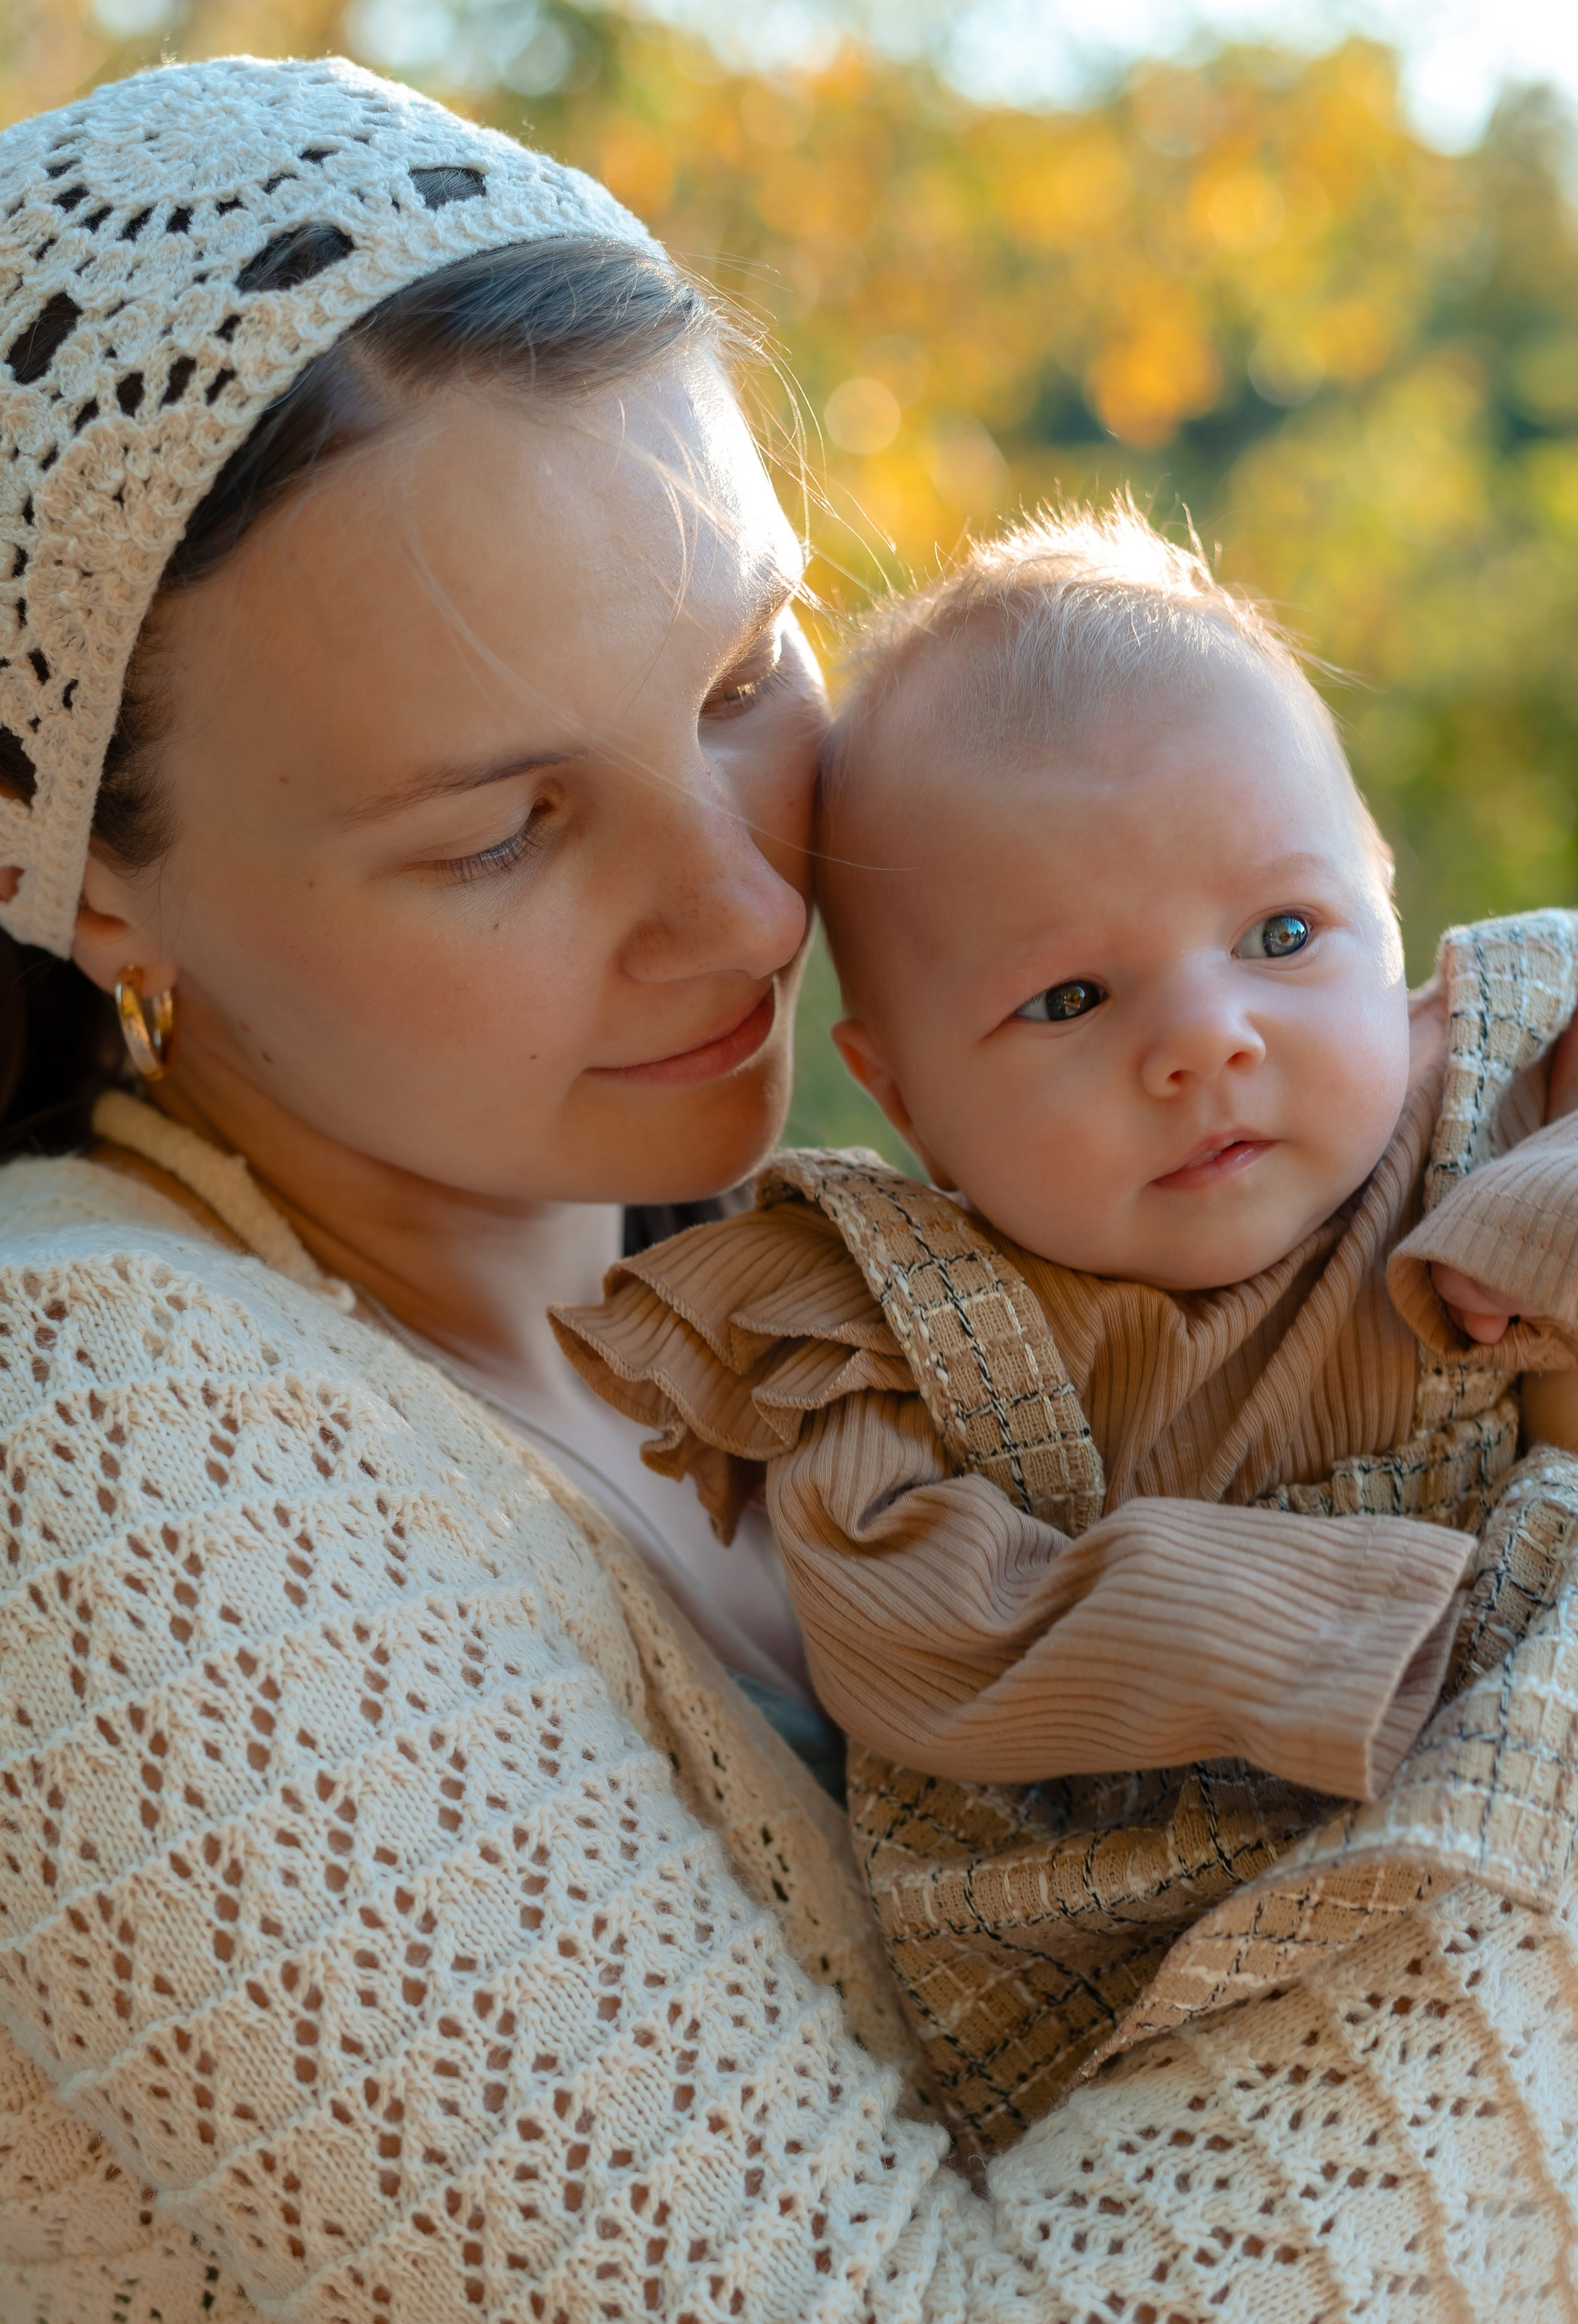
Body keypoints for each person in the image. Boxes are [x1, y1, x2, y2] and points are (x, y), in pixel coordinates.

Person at [0, 59, 1574, 2324]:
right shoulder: (68, 1433)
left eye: (749, 665)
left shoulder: (800, 1292)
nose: (749, 907)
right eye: (502, 828)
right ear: (98, 897)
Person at [556, 502, 1578, 1810]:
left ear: (1382, 899)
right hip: (1182, 1925)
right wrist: (1334, 1635)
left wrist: (1539, 1206)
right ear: (902, 1095)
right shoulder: (900, 1344)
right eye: (1068, 1001)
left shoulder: (1503, 1065)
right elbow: (918, 1635)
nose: (1206, 1042)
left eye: (1278, 933)